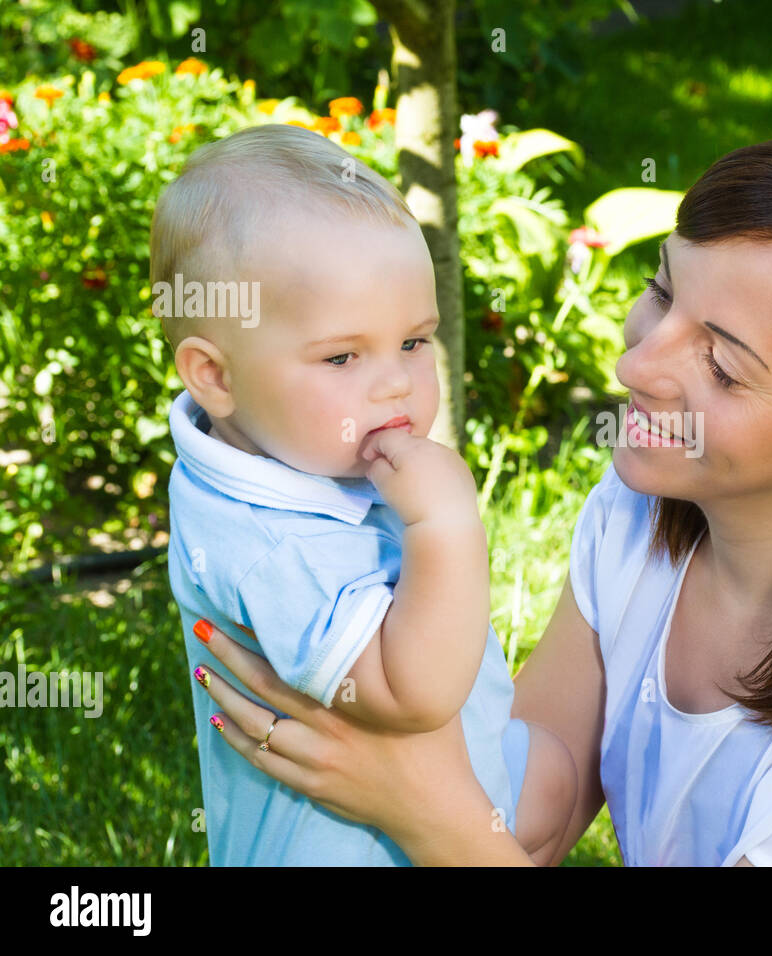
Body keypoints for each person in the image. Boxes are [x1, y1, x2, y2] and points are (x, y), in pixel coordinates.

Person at [189, 128, 772, 865]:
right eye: (661, 290)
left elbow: (479, 838)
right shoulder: (641, 518)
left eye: (720, 363)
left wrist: (422, 813)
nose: (636, 365)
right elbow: (532, 819)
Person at [157, 123, 575, 866]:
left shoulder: (275, 454)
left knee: (557, 780)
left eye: (415, 341)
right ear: (215, 377)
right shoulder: (278, 546)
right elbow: (412, 695)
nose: (393, 382)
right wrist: (445, 523)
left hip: (438, 810)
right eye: (343, 355)